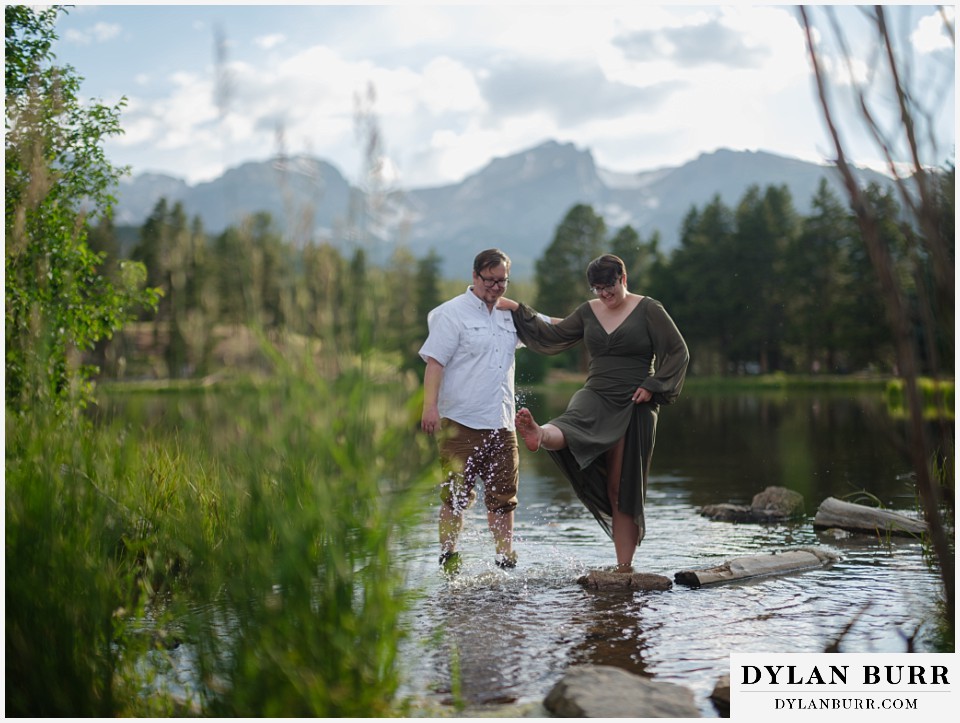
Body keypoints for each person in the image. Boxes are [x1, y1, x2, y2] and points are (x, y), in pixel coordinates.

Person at [498, 254, 689, 573]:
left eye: (608, 286)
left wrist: (653, 385)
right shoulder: (588, 311)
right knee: (573, 420)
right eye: (597, 288)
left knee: (621, 487)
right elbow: (554, 334)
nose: (603, 294)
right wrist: (519, 310)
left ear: (623, 279)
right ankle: (540, 433)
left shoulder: (649, 309)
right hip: (596, 390)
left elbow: (678, 351)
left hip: (635, 401)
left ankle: (623, 569)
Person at [419, 248, 530, 576]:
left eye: (503, 281)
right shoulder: (450, 314)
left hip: (502, 422)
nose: (496, 287)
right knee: (455, 496)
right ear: (474, 276)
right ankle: (448, 556)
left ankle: (504, 560)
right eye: (490, 280)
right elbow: (435, 363)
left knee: (504, 498)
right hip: (460, 422)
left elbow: (548, 329)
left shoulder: (510, 316)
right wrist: (430, 408)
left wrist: (521, 308)